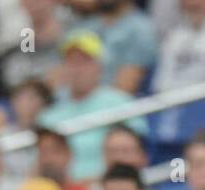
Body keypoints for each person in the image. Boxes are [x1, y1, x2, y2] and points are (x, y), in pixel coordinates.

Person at [38, 32, 145, 181]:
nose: (78, 69)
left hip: (109, 187)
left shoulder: (120, 102)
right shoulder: (48, 116)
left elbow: (137, 152)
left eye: (84, 61)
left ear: (99, 66)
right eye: (72, 62)